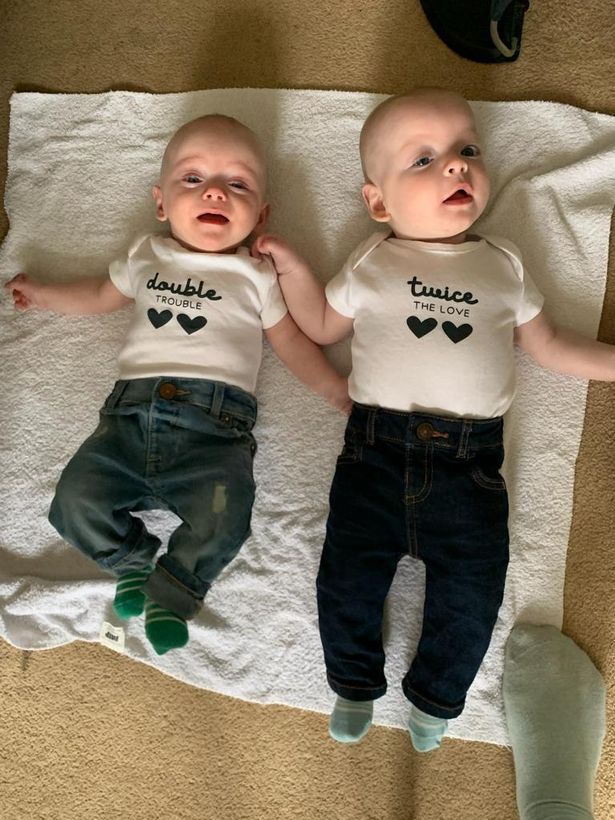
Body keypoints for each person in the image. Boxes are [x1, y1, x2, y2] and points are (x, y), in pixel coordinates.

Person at [252, 88, 615, 752]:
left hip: (468, 467)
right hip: (374, 453)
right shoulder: (373, 259)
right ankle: (352, 682)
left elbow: (551, 347)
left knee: (473, 591)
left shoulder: (502, 263)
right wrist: (294, 268)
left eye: (467, 149)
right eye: (423, 160)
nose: (456, 165)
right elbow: (321, 325)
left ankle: (436, 698)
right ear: (379, 203)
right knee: (346, 577)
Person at [5, 114, 349, 657]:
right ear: (161, 203)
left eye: (237, 184)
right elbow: (99, 296)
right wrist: (45, 294)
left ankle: (174, 591)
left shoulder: (256, 275)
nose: (215, 191)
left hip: (215, 435)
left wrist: (332, 388)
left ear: (261, 216)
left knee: (225, 518)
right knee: (74, 502)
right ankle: (132, 560)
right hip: (128, 423)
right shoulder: (147, 254)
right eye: (193, 178)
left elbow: (288, 340)